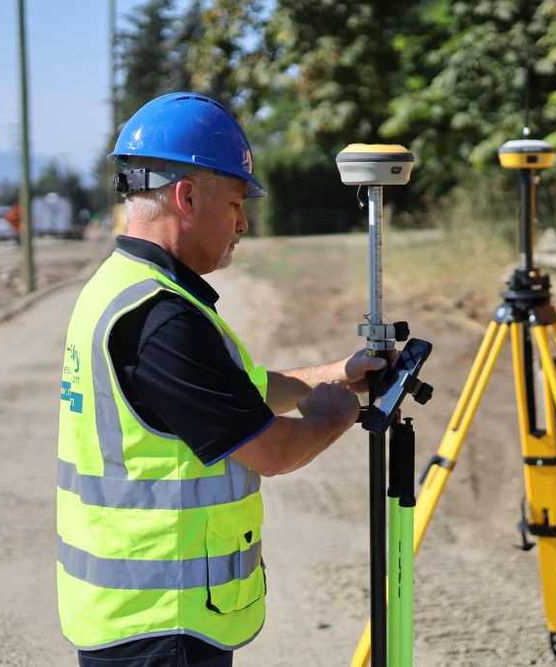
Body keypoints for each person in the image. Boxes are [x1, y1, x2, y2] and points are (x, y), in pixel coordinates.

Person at [56, 92, 385, 667]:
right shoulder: (161, 321)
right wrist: (335, 416)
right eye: (235, 202)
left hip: (133, 614)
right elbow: (271, 450)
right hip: (163, 624)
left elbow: (235, 394)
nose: (243, 223)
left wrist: (335, 376)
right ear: (186, 196)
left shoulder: (121, 287)